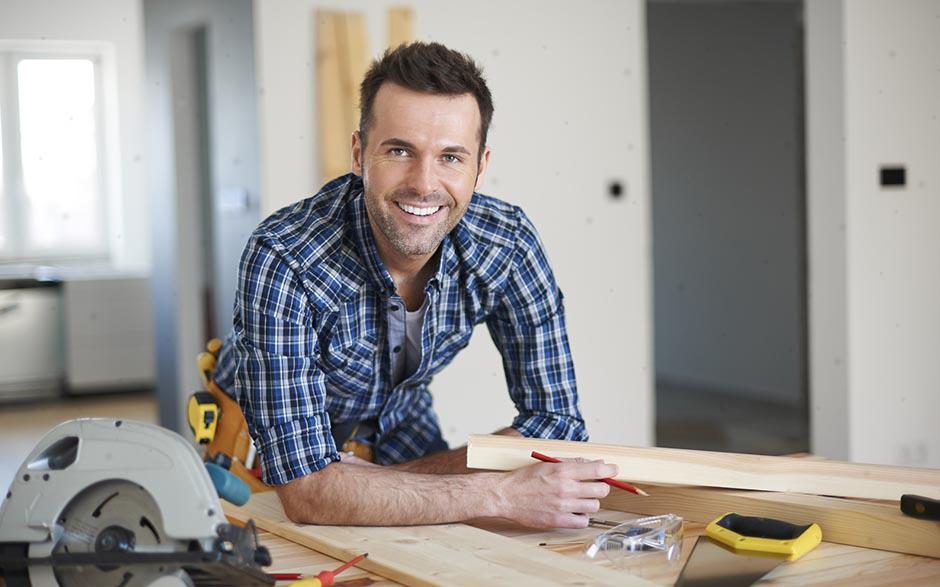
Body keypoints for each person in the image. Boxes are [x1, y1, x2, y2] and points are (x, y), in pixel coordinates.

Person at [215, 41, 618, 528]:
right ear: (359, 154)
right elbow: (306, 492)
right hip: (256, 441)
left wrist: (378, 487)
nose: (424, 184)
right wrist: (497, 493)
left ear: (481, 166)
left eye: (451, 157)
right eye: (400, 150)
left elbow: (557, 425)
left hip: (399, 423)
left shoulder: (506, 244)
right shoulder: (285, 255)